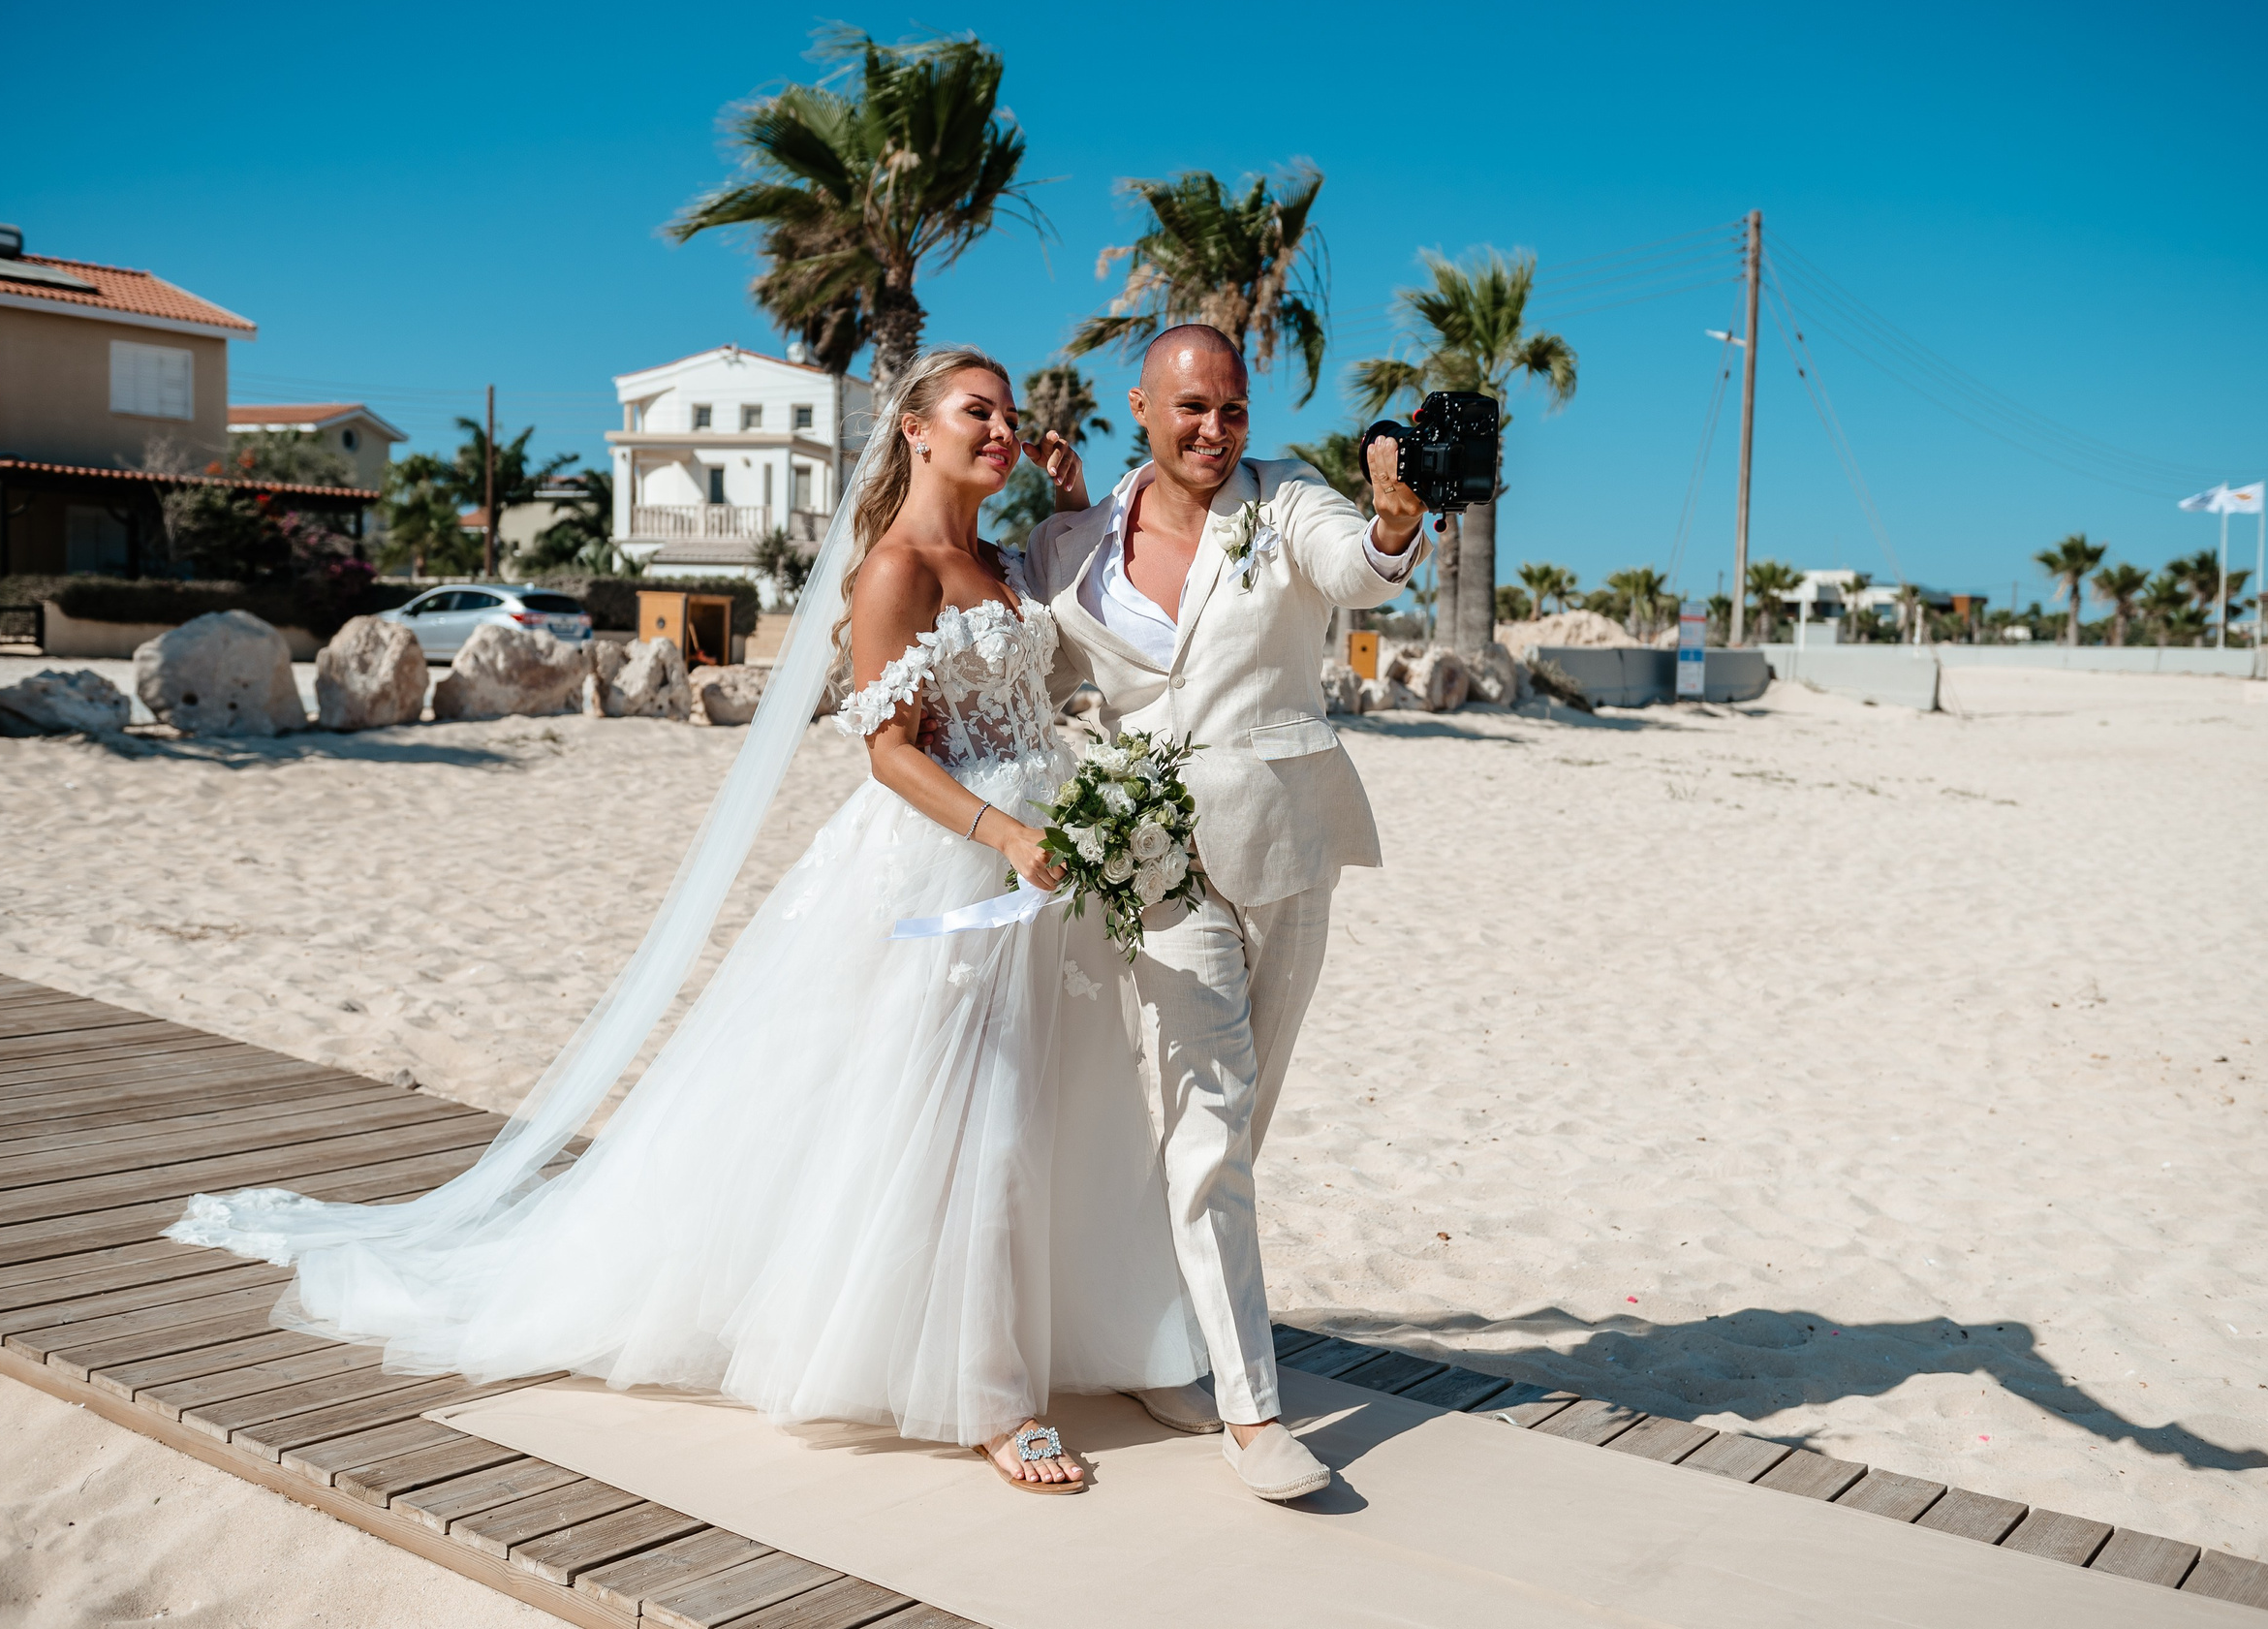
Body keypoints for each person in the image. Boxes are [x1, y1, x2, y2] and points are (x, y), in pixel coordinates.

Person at [167, 347, 1207, 1495]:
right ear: (914, 428)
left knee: (1051, 1103)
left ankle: (1083, 1338)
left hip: (1038, 870)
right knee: (979, 1117)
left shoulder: (1000, 559)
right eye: (979, 412)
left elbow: (1054, 638)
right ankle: (989, 1392)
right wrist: (1003, 835)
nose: (1002, 430)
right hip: (952, 870)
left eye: (1011, 416)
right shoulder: (898, 570)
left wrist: (1068, 505)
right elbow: (887, 753)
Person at [1017, 325, 1430, 1500]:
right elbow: (1044, 676)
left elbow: (1357, 569)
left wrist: (1394, 518)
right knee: (1207, 1114)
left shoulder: (1285, 500)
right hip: (1152, 860)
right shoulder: (1070, 541)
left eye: (1232, 410)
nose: (1214, 431)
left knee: (1239, 1123)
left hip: (1289, 841)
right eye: (1191, 408)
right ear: (1138, 406)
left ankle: (1164, 1343)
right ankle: (1255, 1416)